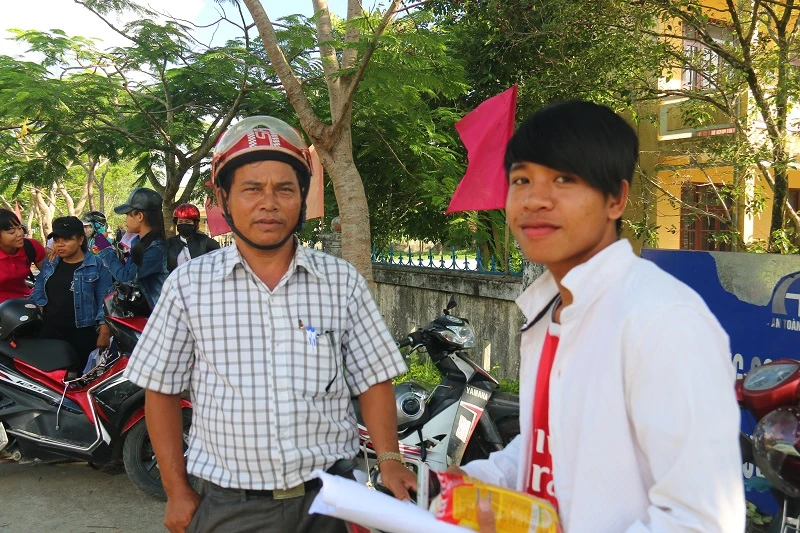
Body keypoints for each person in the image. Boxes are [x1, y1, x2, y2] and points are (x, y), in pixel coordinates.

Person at [458, 101, 745, 532]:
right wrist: (475, 482)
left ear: (616, 199)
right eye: (521, 180)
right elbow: (550, 443)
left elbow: (701, 521)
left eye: (564, 179)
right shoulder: (551, 311)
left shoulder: (663, 320)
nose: (534, 200)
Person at [123, 116, 416, 533]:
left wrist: (389, 460)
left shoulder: (341, 281)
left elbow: (374, 378)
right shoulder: (188, 285)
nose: (269, 203)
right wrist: (176, 490)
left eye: (284, 189)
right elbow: (161, 390)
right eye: (252, 189)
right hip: (229, 506)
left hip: (331, 503)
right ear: (224, 198)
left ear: (302, 196)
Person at [30, 216, 112, 367]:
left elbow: (106, 299)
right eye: (56, 240)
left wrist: (104, 331)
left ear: (80, 240)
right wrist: (39, 305)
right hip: (51, 331)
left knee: (81, 374)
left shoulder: (96, 265)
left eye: (67, 239)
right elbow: (39, 285)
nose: (60, 244)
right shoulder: (51, 263)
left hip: (83, 332)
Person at [92, 188, 168, 311]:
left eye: (128, 214)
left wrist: (105, 248)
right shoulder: (139, 243)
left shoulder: (155, 249)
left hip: (155, 315)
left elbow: (126, 277)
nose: (125, 219)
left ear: (140, 216)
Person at [0, 209, 45, 303]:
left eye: (20, 228)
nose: (20, 234)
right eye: (12, 232)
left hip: (25, 301)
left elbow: (49, 276)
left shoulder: (31, 246)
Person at [166, 203, 220, 272]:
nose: (183, 224)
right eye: (180, 222)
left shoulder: (206, 242)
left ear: (195, 224)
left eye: (187, 222)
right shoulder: (169, 244)